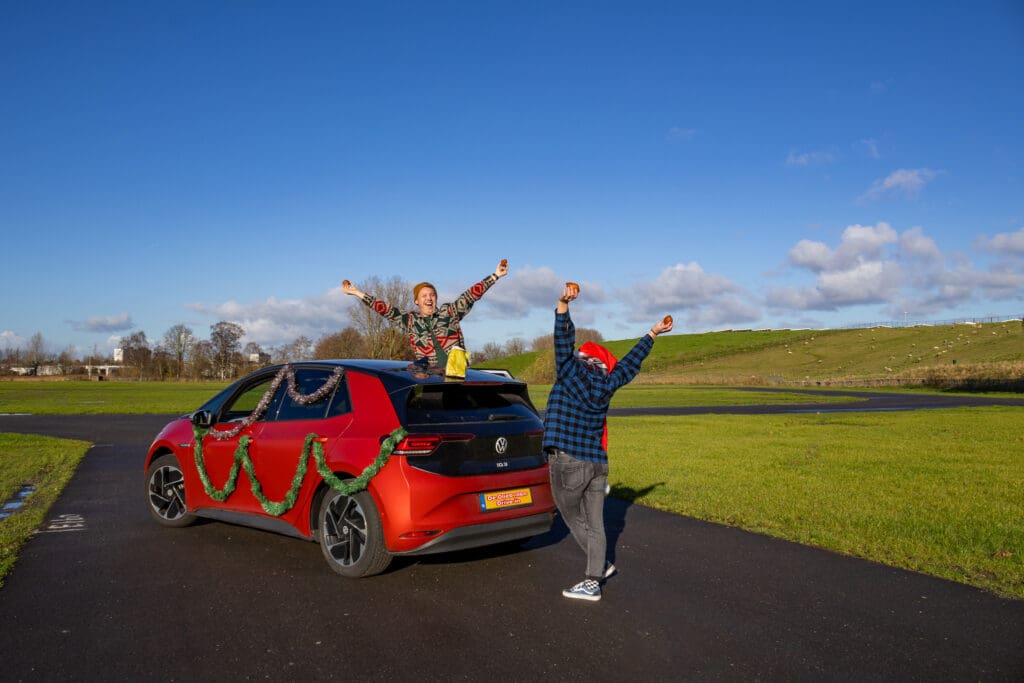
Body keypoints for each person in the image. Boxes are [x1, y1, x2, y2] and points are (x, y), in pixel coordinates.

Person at [543, 282, 673, 602]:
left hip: (569, 459)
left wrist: (563, 305)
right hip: (597, 462)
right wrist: (652, 334)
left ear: (584, 356)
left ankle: (595, 574)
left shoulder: (571, 371)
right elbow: (629, 365)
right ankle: (595, 573)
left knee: (568, 512)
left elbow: (562, 340)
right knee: (596, 523)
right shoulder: (609, 381)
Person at [342, 259, 509, 367]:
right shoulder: (410, 320)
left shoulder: (449, 312)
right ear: (417, 301)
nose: (429, 298)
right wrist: (357, 293)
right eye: (424, 295)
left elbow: (471, 295)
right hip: (429, 377)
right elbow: (384, 309)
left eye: (432, 295)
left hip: (458, 374)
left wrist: (495, 276)